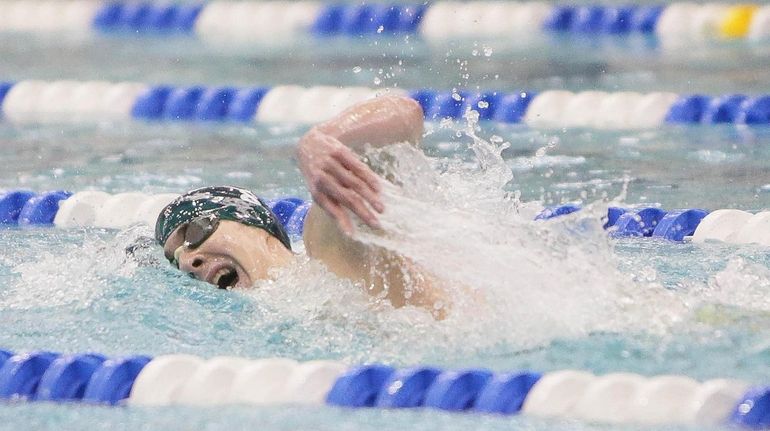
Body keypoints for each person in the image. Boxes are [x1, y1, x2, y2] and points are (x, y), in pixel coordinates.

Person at [155, 95, 449, 319]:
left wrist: (320, 140)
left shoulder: (328, 248)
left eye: (193, 232)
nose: (186, 262)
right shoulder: (288, 311)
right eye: (176, 259)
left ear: (250, 221)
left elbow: (405, 114)